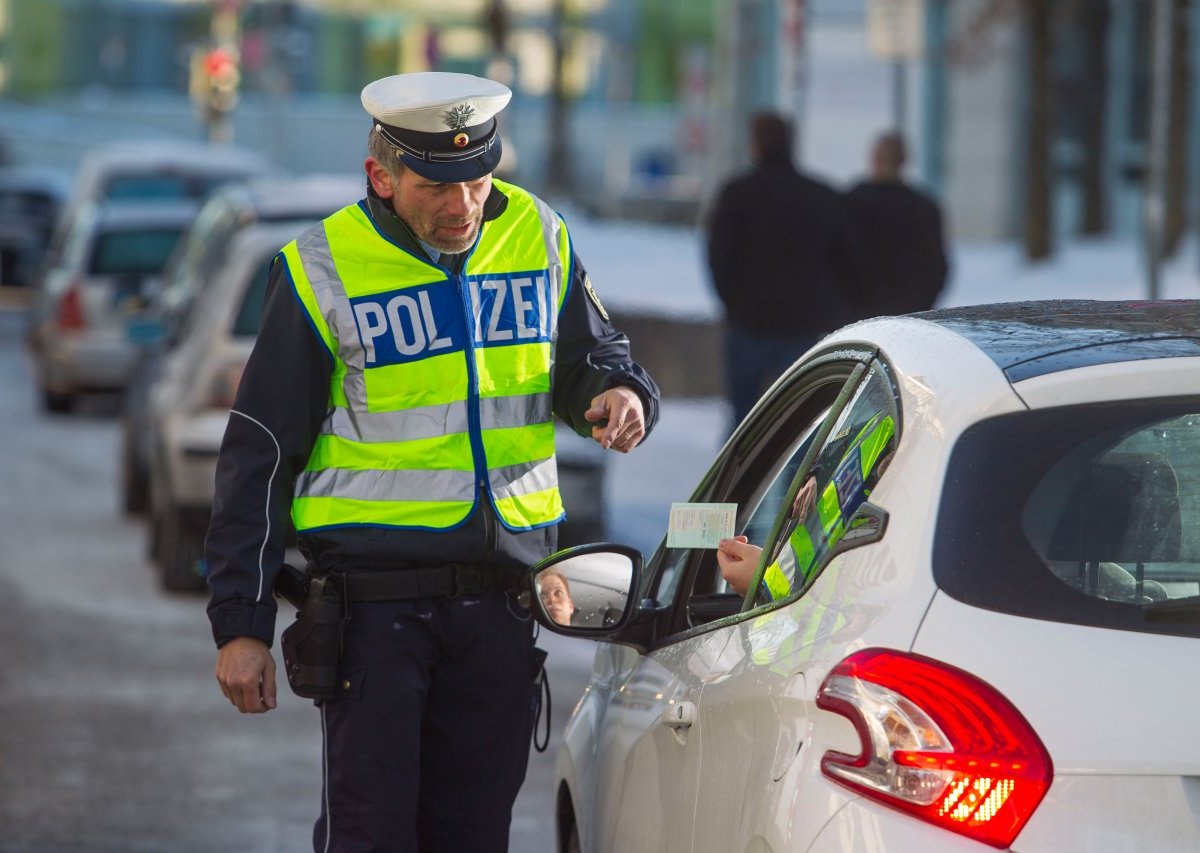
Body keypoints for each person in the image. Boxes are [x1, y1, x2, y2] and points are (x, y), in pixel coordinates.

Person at [205, 71, 661, 853]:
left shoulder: (538, 235)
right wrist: (239, 623)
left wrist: (620, 393)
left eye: (478, 183)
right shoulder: (323, 268)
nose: (463, 208)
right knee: (371, 836)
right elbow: (261, 455)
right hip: (375, 615)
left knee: (473, 837)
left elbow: (594, 356)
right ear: (380, 176)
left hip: (501, 608)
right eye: (437, 187)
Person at [705, 110, 864, 433]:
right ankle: (790, 483)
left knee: (743, 425)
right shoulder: (821, 196)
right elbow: (848, 261)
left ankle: (740, 482)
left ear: (755, 145)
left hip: (748, 322)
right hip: (804, 326)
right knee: (797, 427)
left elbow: (719, 256)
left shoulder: (737, 194)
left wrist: (733, 304)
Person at [844, 131, 949, 317]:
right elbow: (937, 267)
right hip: (908, 314)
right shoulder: (923, 206)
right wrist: (922, 304)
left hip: (858, 314)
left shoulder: (851, 202)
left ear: (873, 159)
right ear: (904, 160)